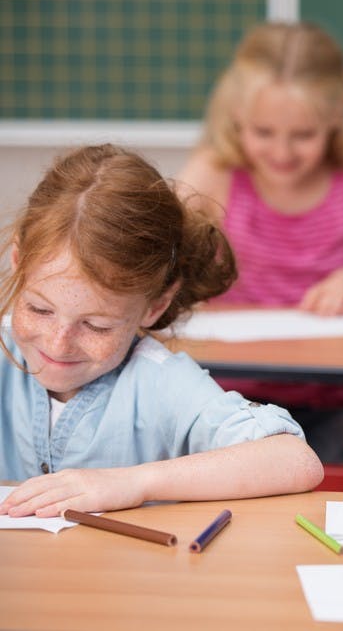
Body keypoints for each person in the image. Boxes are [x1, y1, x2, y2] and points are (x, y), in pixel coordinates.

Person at [0, 144, 323, 518]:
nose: (58, 342)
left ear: (154, 306)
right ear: (18, 263)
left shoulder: (159, 381)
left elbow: (295, 461)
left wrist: (131, 483)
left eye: (96, 325)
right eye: (39, 309)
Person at [177, 21, 343, 463]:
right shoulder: (213, 174)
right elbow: (153, 261)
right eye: (263, 133)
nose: (282, 153)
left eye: (303, 136)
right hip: (235, 393)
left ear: (337, 115)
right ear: (235, 118)